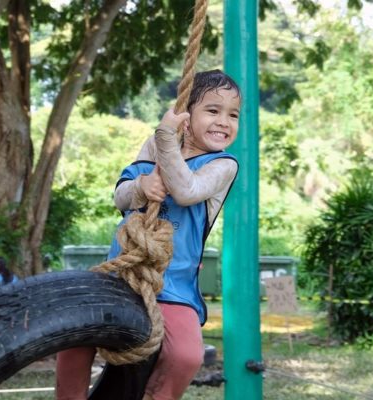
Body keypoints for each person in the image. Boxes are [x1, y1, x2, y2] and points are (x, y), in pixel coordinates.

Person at [55, 69, 241, 400]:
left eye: (233, 114)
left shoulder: (224, 165)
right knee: (75, 334)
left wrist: (167, 137)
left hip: (174, 286)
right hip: (124, 272)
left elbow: (187, 190)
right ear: (185, 114)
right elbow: (120, 197)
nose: (224, 122)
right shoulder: (157, 144)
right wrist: (141, 186)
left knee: (187, 356)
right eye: (213, 110)